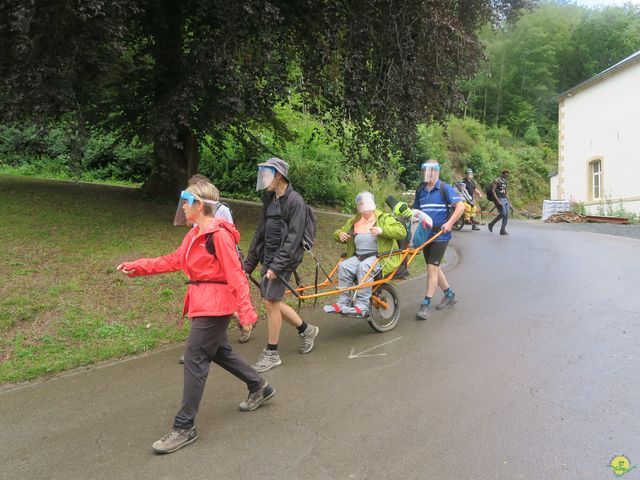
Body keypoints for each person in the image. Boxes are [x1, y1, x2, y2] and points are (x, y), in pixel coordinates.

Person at [117, 180, 274, 454]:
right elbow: (173, 260)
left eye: (187, 202)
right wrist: (138, 266)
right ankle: (258, 385)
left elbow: (236, 274)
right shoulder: (193, 235)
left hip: (215, 305)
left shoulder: (219, 236)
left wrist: (247, 311)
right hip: (203, 302)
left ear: (200, 205)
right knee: (219, 351)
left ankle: (184, 427)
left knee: (195, 357)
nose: (184, 207)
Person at [244, 157, 319, 373]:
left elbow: (294, 239)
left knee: (270, 302)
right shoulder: (269, 199)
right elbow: (260, 232)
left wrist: (277, 266)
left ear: (278, 175)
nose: (263, 179)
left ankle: (272, 353)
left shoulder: (295, 202)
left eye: (266, 175)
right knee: (272, 302)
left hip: (284, 259)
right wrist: (248, 264)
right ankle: (307, 330)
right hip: (269, 257)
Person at [323, 192, 406, 316]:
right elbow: (338, 231)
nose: (364, 209)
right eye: (361, 205)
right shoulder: (355, 220)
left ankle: (362, 306)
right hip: (358, 256)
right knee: (343, 266)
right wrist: (339, 234)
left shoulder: (383, 218)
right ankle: (343, 303)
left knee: (364, 267)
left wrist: (382, 230)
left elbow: (401, 232)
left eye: (366, 205)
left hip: (380, 257)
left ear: (372, 204)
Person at [412, 160, 466, 320]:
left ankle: (425, 305)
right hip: (426, 236)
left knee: (431, 268)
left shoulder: (445, 188)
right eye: (425, 171)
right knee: (434, 268)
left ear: (436, 172)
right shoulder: (420, 190)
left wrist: (449, 223)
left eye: (430, 171)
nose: (427, 174)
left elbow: (461, 207)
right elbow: (416, 211)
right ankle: (449, 295)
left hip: (440, 235)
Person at [487, 170, 512, 236]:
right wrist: (497, 201)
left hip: (505, 199)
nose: (506, 176)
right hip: (499, 198)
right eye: (505, 175)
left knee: (506, 215)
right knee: (503, 213)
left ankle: (502, 230)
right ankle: (491, 224)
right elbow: (493, 190)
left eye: (507, 175)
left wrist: (510, 203)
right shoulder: (496, 180)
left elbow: (506, 193)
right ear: (502, 174)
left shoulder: (505, 182)